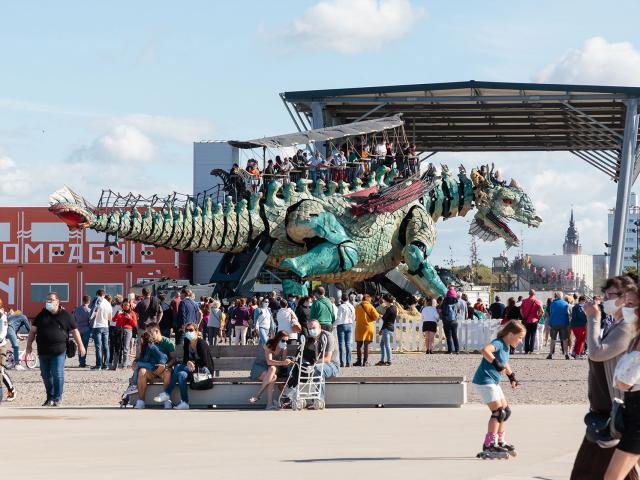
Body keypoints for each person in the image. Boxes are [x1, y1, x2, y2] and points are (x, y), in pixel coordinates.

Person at [570, 274, 638, 480]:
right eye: (605, 294)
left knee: (590, 473)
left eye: (611, 295)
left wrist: (593, 317)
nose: (605, 299)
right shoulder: (617, 325)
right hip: (607, 410)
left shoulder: (627, 327)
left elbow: (597, 353)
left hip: (615, 410)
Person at [472, 321, 525, 458]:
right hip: (484, 380)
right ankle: (489, 445)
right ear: (510, 334)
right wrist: (495, 364)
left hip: (493, 382)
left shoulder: (506, 346)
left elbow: (505, 362)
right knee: (498, 412)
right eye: (519, 337)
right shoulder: (499, 343)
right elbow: (485, 350)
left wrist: (512, 377)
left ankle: (499, 441)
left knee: (505, 411)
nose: (521, 341)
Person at [26, 292, 86, 406]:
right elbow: (32, 331)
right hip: (43, 351)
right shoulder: (41, 315)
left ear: (57, 302)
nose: (48, 302)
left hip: (59, 350)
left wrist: (81, 346)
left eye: (51, 300)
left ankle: (58, 398)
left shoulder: (66, 315)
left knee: (57, 373)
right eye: (47, 300)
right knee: (45, 375)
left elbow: (75, 331)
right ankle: (50, 397)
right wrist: (29, 346)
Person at [605, 283, 640, 480]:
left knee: (612, 477)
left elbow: (623, 381)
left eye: (631, 303)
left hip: (637, 413)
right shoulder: (635, 337)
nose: (626, 307)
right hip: (632, 410)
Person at [153, 322, 215, 410]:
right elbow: (186, 359)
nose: (188, 332)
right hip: (192, 370)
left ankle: (166, 393)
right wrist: (189, 363)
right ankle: (185, 403)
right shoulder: (186, 341)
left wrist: (192, 363)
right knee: (181, 374)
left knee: (178, 367)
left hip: (204, 373)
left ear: (196, 331)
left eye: (191, 330)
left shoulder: (201, 343)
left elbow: (205, 363)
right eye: (187, 330)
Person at [129, 323, 177, 409]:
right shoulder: (147, 341)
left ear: (157, 331)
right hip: (150, 368)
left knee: (167, 373)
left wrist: (165, 366)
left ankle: (167, 400)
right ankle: (141, 401)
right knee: (141, 371)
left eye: (150, 332)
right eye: (147, 332)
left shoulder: (167, 342)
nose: (148, 334)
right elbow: (141, 357)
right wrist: (135, 362)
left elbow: (174, 359)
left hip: (163, 368)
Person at [249, 330, 293, 409]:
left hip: (271, 370)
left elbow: (283, 362)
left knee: (272, 370)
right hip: (259, 368)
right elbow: (269, 362)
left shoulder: (284, 348)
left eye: (287, 341)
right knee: (273, 376)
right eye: (283, 340)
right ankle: (268, 403)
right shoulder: (269, 344)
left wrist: (286, 360)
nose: (285, 343)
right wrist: (283, 362)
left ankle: (258, 395)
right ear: (278, 339)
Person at [111, 299, 137, 369]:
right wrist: (117, 314)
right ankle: (115, 365)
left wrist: (130, 318)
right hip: (118, 330)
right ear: (122, 305)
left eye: (127, 305)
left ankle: (124, 365)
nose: (125, 306)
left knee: (125, 348)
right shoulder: (119, 311)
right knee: (117, 347)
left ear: (129, 306)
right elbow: (113, 320)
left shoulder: (132, 313)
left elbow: (135, 324)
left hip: (127, 330)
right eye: (124, 305)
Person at [354, 294, 379, 366]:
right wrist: (371, 319)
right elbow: (376, 316)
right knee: (366, 345)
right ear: (368, 299)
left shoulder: (357, 306)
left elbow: (355, 316)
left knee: (359, 345)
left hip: (359, 327)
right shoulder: (370, 306)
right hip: (368, 327)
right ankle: (365, 361)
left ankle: (358, 361)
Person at [90, 289, 112, 370]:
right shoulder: (108, 304)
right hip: (105, 325)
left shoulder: (96, 301)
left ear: (97, 294)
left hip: (97, 326)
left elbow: (92, 312)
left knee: (98, 346)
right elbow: (110, 318)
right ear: (104, 294)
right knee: (106, 346)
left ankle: (98, 365)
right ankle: (106, 365)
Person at [547, 291, 571, 360]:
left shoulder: (553, 304)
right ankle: (566, 354)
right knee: (564, 339)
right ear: (562, 296)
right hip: (563, 323)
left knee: (553, 339)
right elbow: (568, 313)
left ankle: (550, 354)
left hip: (554, 323)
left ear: (556, 296)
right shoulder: (566, 303)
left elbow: (551, 313)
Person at [0, 303, 16, 402]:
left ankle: (11, 389)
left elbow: (3, 333)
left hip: (1, 346)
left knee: (0, 371)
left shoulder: (2, 316)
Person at [520, 289, 543, 354]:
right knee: (533, 335)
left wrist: (524, 317)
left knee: (527, 335)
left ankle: (526, 350)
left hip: (526, 320)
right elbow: (542, 311)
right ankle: (531, 350)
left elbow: (521, 311)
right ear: (534, 294)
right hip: (534, 320)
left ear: (529, 294)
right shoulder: (537, 301)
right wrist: (539, 317)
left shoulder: (524, 301)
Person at [335, 294, 355, 367]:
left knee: (341, 344)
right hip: (349, 325)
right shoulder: (352, 306)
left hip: (341, 325)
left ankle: (342, 362)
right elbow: (354, 317)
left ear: (342, 299)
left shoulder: (341, 306)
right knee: (348, 344)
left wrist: (334, 324)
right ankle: (348, 362)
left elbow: (339, 318)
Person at [376, 294, 396, 366]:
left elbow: (384, 319)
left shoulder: (389, 309)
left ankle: (389, 360)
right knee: (382, 344)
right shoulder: (394, 308)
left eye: (384, 300)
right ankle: (382, 360)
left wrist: (380, 316)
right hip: (390, 327)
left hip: (386, 328)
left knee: (387, 345)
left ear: (386, 300)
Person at [73, 296, 92, 368]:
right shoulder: (89, 310)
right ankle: (82, 362)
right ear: (89, 301)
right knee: (85, 346)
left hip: (78, 329)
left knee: (79, 345)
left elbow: (73, 319)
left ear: (82, 300)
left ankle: (80, 361)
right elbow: (91, 321)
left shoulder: (77, 309)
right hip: (86, 330)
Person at [440, 287, 459, 354]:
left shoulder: (445, 302)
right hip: (454, 321)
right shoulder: (456, 302)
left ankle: (450, 350)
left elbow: (441, 310)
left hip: (447, 321)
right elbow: (457, 312)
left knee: (448, 337)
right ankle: (457, 350)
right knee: (455, 336)